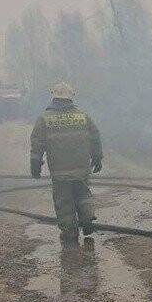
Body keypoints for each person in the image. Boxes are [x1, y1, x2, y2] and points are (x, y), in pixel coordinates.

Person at [30, 82, 103, 245]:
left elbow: (37, 144)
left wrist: (35, 164)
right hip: (81, 168)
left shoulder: (45, 118)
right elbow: (95, 136)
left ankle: (70, 232)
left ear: (53, 97)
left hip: (60, 170)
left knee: (64, 201)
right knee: (83, 194)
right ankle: (88, 221)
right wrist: (97, 157)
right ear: (71, 97)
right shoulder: (82, 116)